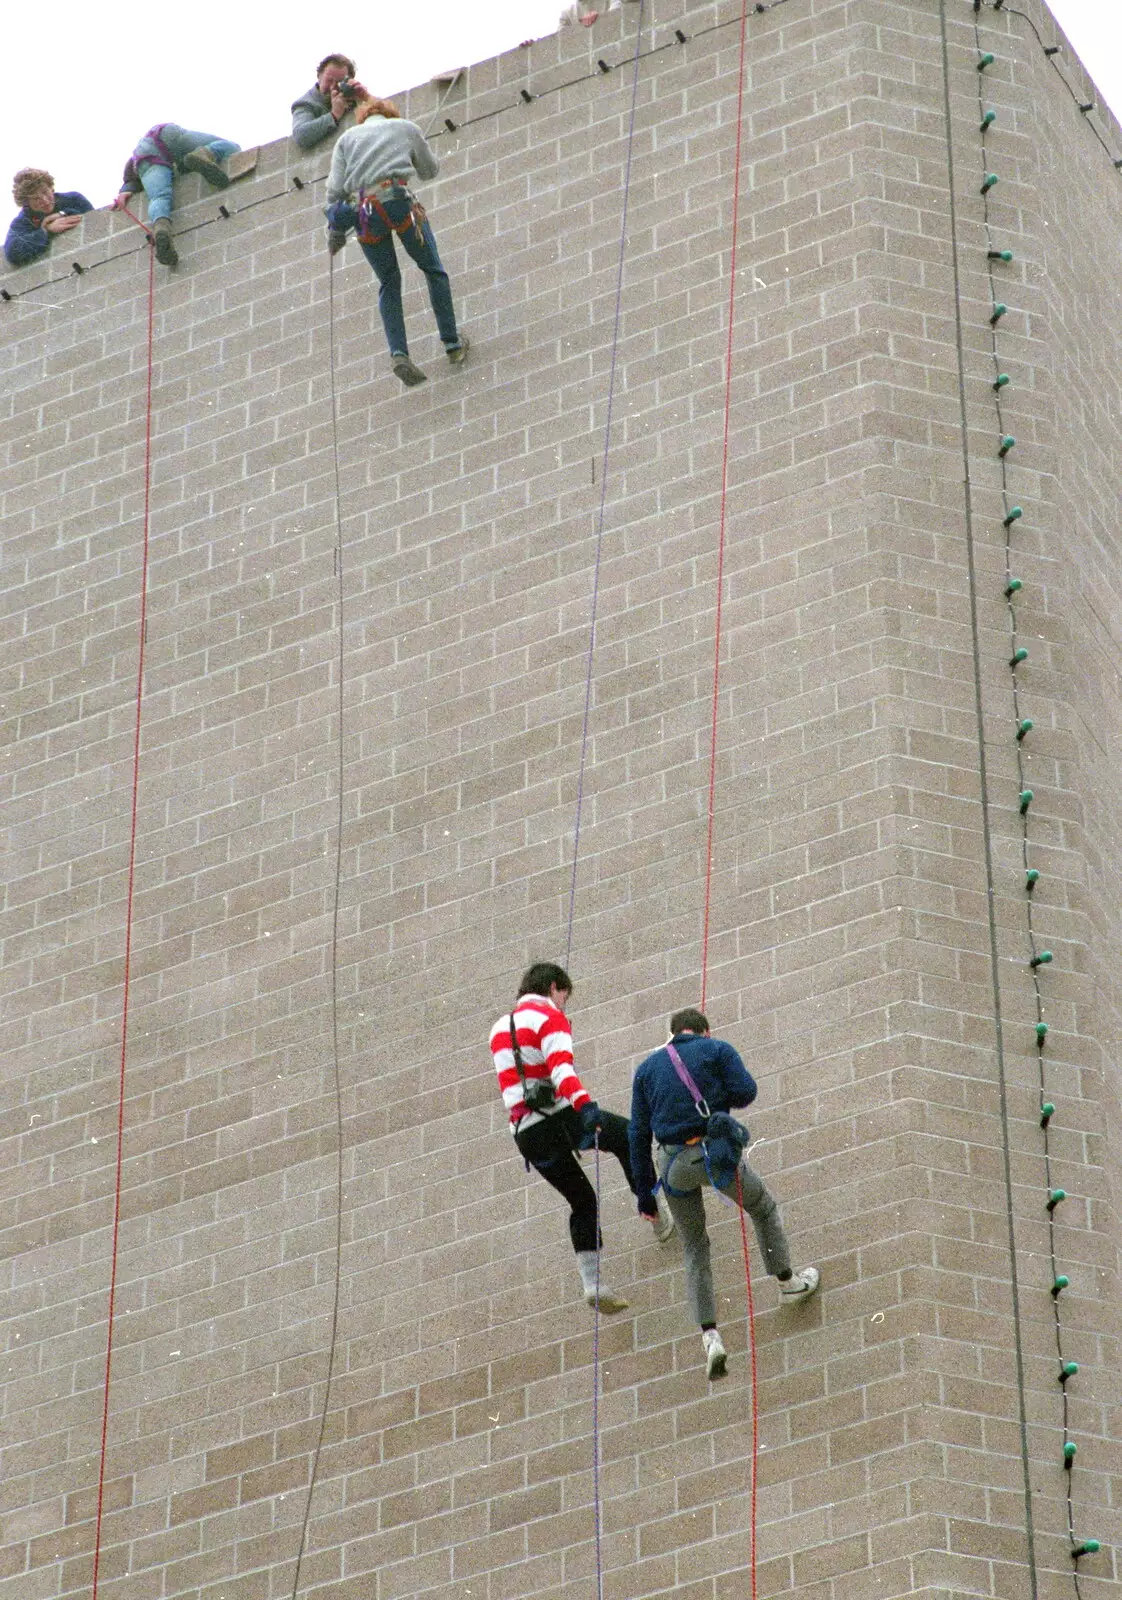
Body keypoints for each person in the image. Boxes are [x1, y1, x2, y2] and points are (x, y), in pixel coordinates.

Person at [630, 1008, 820, 1379]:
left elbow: (637, 1135)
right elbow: (746, 1092)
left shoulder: (646, 1071)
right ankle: (787, 1284)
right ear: (704, 1031)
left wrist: (645, 1196)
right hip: (715, 1156)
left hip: (673, 1167)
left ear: (671, 1034)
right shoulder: (716, 1049)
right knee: (762, 1208)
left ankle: (710, 1335)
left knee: (695, 1245)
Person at [490, 963, 673, 1316]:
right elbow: (561, 1069)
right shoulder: (550, 1016)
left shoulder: (498, 1029)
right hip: (561, 1118)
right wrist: (586, 1106)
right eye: (564, 997)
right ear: (555, 987)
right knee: (627, 1136)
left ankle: (593, 1284)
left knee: (582, 1199)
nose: (564, 1004)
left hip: (526, 1133)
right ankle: (652, 1208)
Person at [324, 93, 468, 388]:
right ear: (390, 114)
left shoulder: (347, 139)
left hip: (364, 212)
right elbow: (430, 171)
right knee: (432, 269)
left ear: (363, 118)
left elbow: (333, 193)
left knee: (389, 281)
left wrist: (334, 231)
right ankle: (452, 344)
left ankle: (399, 353)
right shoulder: (405, 127)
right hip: (398, 202)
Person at [113, 125, 240, 267]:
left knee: (159, 197)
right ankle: (207, 153)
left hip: (144, 157)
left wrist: (124, 191)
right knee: (232, 147)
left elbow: (129, 182)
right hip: (167, 134)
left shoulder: (138, 169)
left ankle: (161, 227)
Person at [5, 169, 92, 268]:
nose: (45, 201)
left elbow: (95, 221)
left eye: (45, 192)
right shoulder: (22, 222)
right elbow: (12, 252)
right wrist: (46, 231)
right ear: (26, 203)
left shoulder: (74, 199)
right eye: (36, 198)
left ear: (51, 187)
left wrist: (64, 214)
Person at [291, 53, 370, 151]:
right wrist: (334, 115)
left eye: (339, 82)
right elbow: (301, 135)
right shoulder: (305, 103)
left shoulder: (350, 94)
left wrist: (366, 98)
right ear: (319, 76)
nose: (333, 87)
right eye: (329, 80)